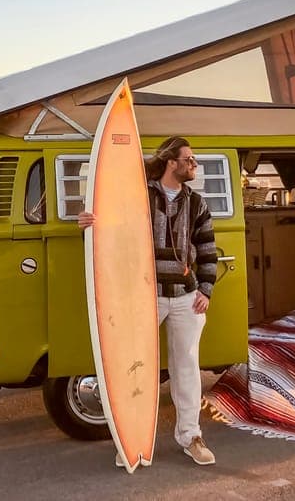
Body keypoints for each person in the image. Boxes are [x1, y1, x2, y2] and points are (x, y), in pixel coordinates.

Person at [78, 135, 218, 466]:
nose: (194, 165)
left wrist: (206, 290)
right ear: (172, 162)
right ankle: (131, 439)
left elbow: (208, 249)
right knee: (133, 366)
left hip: (186, 296)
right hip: (145, 296)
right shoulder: (140, 196)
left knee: (187, 368)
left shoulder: (196, 203)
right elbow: (112, 229)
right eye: (189, 159)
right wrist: (86, 224)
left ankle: (191, 436)